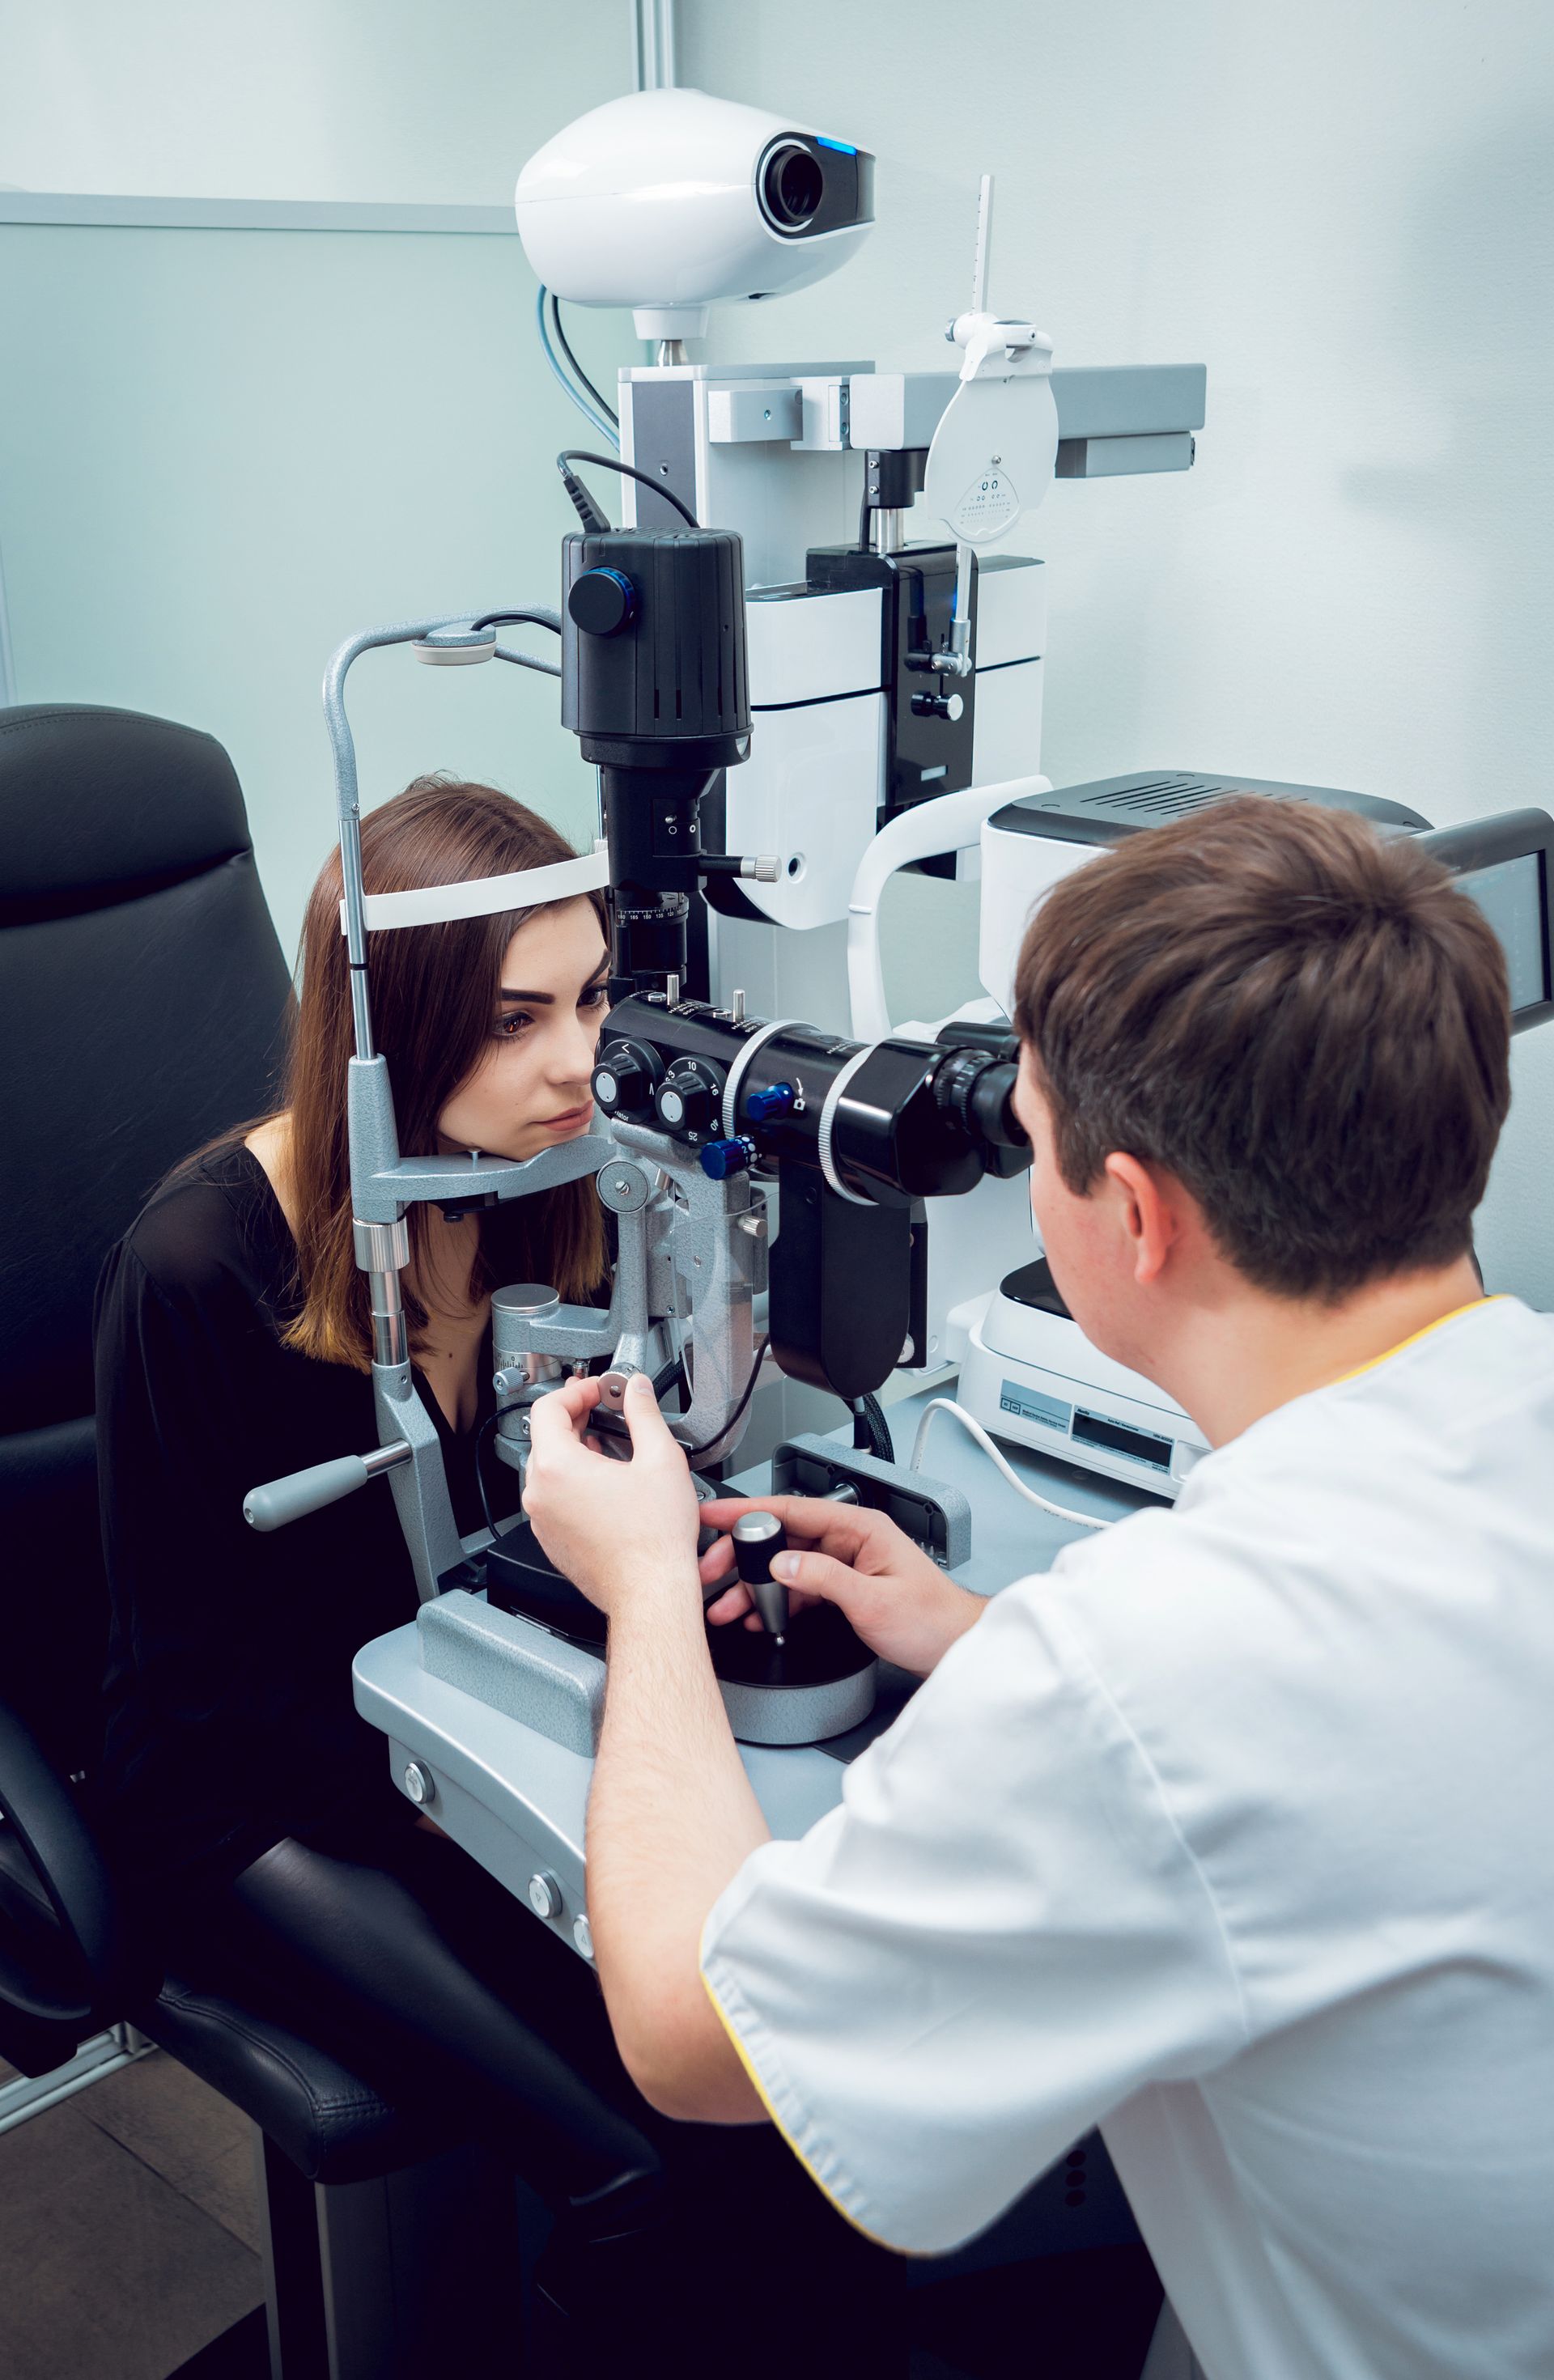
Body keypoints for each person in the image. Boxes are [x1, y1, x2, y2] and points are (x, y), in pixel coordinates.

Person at [521, 795, 1554, 2380]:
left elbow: (686, 2031)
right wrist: (982, 1636)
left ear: (1132, 1214)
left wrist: (649, 1578)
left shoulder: (1149, 1665)